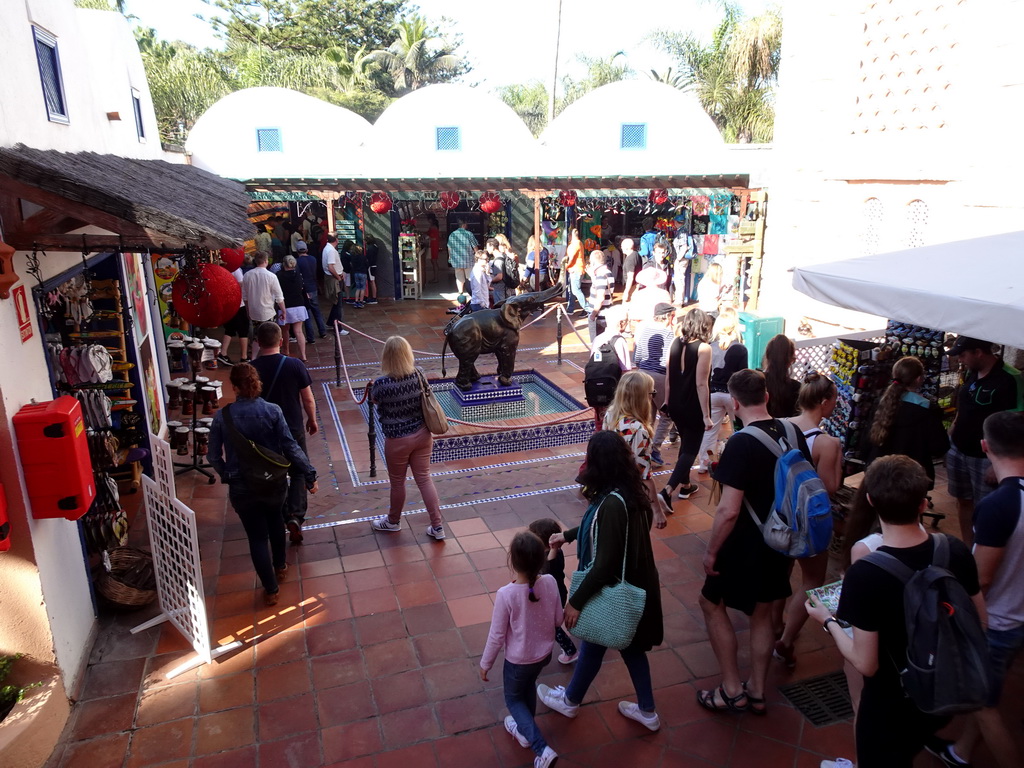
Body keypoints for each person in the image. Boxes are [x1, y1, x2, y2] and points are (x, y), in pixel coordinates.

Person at [806, 455, 982, 768]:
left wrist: (828, 621)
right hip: (942, 690)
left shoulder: (867, 573)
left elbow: (866, 662)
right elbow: (981, 621)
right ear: (923, 504)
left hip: (892, 699)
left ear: (871, 500)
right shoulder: (954, 550)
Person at [697, 369, 809, 715]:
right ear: (767, 396)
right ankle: (758, 690)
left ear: (734, 402)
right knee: (763, 614)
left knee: (710, 603)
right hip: (781, 540)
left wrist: (712, 551)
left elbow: (729, 511)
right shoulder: (794, 431)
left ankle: (732, 688)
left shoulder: (741, 443)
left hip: (747, 541)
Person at [538, 430, 664, 732]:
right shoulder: (632, 491)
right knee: (624, 647)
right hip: (637, 581)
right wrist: (568, 536)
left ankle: (570, 702)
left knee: (598, 642)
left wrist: (576, 602)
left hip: (614, 586)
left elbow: (606, 563)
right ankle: (646, 710)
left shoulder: (611, 503)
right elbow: (597, 525)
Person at [932, 411, 1024, 768]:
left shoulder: (999, 505)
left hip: (997, 620)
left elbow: (981, 578)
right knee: (985, 693)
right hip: (1016, 615)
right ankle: (962, 751)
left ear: (985, 447)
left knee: (984, 705)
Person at [208, 363, 318, 605]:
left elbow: (213, 456)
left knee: (256, 537)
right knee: (276, 523)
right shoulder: (273, 411)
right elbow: (290, 446)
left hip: (241, 485)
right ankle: (280, 565)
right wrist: (309, 473)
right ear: (256, 383)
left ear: (234, 387)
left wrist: (226, 473)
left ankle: (271, 590)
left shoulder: (222, 417)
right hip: (273, 482)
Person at [773, 373, 843, 667]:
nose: (837, 405)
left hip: (781, 513)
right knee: (812, 580)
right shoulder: (827, 443)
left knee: (782, 573)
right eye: (835, 400)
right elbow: (830, 486)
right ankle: (786, 641)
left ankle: (775, 623)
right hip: (809, 520)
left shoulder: (781, 425)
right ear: (824, 402)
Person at [480, 531, 562, 768]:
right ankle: (525, 731)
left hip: (518, 661)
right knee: (528, 687)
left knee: (513, 698)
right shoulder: (550, 582)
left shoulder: (506, 594)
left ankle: (541, 749)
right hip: (544, 655)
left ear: (512, 561)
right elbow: (558, 620)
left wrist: (486, 664)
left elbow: (496, 636)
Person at [945, 336, 1023, 545]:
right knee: (963, 500)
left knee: (985, 506)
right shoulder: (973, 371)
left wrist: (998, 463)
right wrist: (953, 430)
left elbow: (1018, 422)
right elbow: (965, 403)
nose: (960, 360)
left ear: (978, 352)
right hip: (959, 448)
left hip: (986, 457)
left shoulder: (1011, 378)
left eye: (963, 355)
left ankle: (983, 549)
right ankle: (968, 546)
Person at [368, 336, 446, 540]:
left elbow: (374, 400)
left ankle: (393, 521)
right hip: (422, 435)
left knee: (397, 482)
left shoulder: (381, 384)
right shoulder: (419, 373)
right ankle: (437, 526)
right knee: (424, 479)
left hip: (397, 441)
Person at [251, 322, 318, 545]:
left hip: (264, 432)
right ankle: (296, 516)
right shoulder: (294, 365)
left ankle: (279, 514)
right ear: (281, 341)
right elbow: (307, 397)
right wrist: (313, 419)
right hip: (293, 428)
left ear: (258, 342)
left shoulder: (252, 370)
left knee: (274, 473)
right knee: (299, 470)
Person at [603, 370, 671, 528]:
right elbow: (644, 475)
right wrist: (657, 511)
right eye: (652, 393)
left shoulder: (611, 414)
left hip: (608, 487)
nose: (652, 396)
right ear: (642, 397)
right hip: (628, 495)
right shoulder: (637, 430)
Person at [868, 355, 949, 483]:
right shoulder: (927, 409)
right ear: (919, 379)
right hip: (914, 476)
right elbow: (939, 447)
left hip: (881, 472)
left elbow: (869, 439)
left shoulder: (881, 404)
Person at [661, 308, 714, 504]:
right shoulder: (704, 348)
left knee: (685, 443)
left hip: (675, 403)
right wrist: (706, 415)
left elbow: (669, 377)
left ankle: (685, 486)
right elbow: (702, 384)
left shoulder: (674, 343)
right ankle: (668, 489)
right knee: (691, 449)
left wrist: (667, 402)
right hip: (693, 406)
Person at [694, 308, 747, 473]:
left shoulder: (710, 347)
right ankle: (739, 460)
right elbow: (743, 374)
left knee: (710, 431)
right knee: (738, 428)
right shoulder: (740, 349)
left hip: (714, 393)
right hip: (733, 395)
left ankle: (704, 464)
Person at [528, 518, 578, 665]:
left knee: (552, 626)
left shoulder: (553, 555)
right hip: (554, 595)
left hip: (553, 597)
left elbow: (546, 571)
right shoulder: (550, 553)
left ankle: (571, 651)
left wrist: (553, 549)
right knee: (544, 622)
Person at [632, 303, 676, 465]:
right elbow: (668, 361)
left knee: (647, 416)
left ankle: (644, 449)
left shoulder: (644, 331)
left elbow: (637, 358)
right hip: (659, 377)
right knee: (667, 415)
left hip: (642, 374)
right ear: (668, 316)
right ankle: (655, 450)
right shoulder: (668, 333)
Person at [587, 304, 632, 430]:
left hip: (596, 390)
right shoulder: (619, 341)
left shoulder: (598, 339)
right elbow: (625, 372)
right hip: (614, 393)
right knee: (614, 425)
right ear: (621, 322)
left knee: (600, 423)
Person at [241, 252, 286, 356]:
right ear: (266, 261)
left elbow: (245, 297)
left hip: (254, 312)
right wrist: (283, 310)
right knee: (271, 335)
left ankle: (254, 358)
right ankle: (272, 355)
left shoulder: (247, 275)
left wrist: (248, 310)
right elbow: (279, 297)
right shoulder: (271, 276)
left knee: (257, 336)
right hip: (268, 312)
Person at [276, 256, 309, 361]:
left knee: (285, 331)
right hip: (299, 304)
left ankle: (286, 351)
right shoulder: (298, 275)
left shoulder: (279, 276)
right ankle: (303, 355)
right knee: (298, 331)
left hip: (285, 305)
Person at [295, 241, 328, 342]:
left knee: (307, 313)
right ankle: (322, 331)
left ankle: (310, 337)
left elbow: (298, 276)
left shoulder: (297, 262)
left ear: (297, 251)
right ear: (306, 249)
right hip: (313, 287)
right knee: (316, 310)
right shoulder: (313, 259)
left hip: (305, 289)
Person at [763, 333, 800, 418]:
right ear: (791, 360)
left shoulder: (757, 382)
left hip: (759, 430)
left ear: (768, 356)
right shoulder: (797, 388)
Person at [219, 264, 249, 365]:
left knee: (230, 328)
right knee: (243, 329)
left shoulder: (221, 268)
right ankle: (244, 357)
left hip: (227, 303)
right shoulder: (235, 269)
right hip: (238, 303)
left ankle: (223, 353)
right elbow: (241, 284)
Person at [321, 234, 349, 335]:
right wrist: (338, 277)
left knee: (336, 302)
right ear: (336, 240)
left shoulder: (327, 248)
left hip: (333, 277)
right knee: (338, 304)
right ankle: (339, 328)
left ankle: (330, 322)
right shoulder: (331, 251)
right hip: (335, 279)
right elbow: (330, 267)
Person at [586, 250, 613, 344]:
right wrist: (593, 277)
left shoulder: (601, 275)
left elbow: (600, 297)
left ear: (593, 262)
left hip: (599, 315)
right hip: (605, 312)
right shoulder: (608, 272)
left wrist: (593, 314)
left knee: (596, 343)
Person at [447, 217, 478, 295]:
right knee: (470, 277)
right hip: (468, 260)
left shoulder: (452, 234)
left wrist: (450, 257)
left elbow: (449, 247)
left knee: (459, 278)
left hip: (456, 260)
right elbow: (474, 246)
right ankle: (471, 292)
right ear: (464, 225)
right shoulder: (469, 234)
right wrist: (477, 256)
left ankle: (460, 292)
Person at [563, 227, 590, 314]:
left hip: (575, 270)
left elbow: (571, 258)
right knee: (572, 290)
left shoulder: (575, 244)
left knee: (576, 291)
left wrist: (566, 266)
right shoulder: (578, 243)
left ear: (571, 235)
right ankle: (570, 309)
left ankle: (588, 309)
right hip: (576, 269)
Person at [620, 238, 642, 302]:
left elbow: (630, 277)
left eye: (622, 246)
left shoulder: (630, 260)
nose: (621, 248)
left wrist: (626, 292)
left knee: (627, 307)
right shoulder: (636, 254)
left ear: (627, 247)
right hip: (637, 285)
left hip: (633, 288)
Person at [426, 213, 441, 283]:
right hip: (434, 245)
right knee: (434, 261)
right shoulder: (434, 226)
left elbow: (433, 237)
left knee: (434, 261)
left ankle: (436, 278)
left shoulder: (433, 227)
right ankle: (436, 277)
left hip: (433, 245)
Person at [364, 236, 379, 304]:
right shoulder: (375, 246)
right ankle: (373, 297)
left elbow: (369, 258)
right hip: (374, 265)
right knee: (372, 281)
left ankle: (374, 297)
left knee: (372, 281)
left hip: (370, 266)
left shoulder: (370, 248)